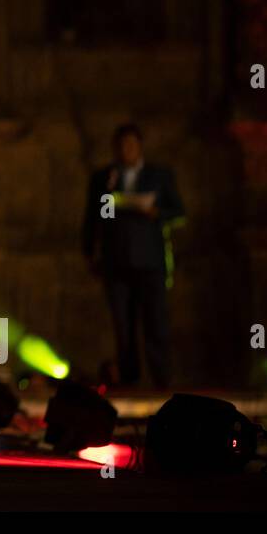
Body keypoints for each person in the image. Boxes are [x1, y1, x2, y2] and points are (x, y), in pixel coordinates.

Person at [81, 123, 185, 389]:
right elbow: (92, 219)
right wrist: (90, 254)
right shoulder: (104, 178)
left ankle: (162, 382)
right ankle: (129, 382)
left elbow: (178, 212)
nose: (126, 150)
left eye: (131, 145)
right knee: (122, 326)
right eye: (121, 146)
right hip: (116, 262)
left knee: (155, 323)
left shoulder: (159, 176)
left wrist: (156, 213)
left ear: (139, 147)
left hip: (150, 263)